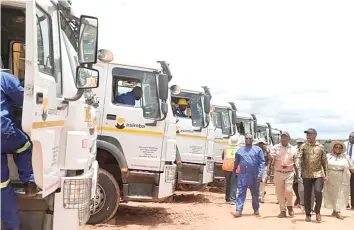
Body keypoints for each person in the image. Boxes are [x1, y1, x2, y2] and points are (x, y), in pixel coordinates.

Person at [1, 72, 37, 230]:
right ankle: (29, 181)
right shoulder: (4, 78)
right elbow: (25, 100)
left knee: (2, 184)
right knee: (24, 145)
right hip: (3, 134)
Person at [296, 128, 328, 223]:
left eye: (309, 134)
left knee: (318, 192)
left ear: (315, 135)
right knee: (307, 194)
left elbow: (324, 162)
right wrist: (297, 162)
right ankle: (308, 214)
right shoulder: (303, 146)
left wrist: (326, 175)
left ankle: (317, 212)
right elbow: (299, 156)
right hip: (306, 174)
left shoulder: (320, 147)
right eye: (307, 134)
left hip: (318, 174)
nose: (307, 136)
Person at [231, 133, 265, 218]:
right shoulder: (240, 150)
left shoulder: (258, 150)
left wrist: (260, 174)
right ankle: (238, 211)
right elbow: (236, 162)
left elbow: (262, 163)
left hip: (254, 175)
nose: (248, 140)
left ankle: (256, 209)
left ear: (252, 139)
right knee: (241, 193)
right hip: (243, 175)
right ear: (244, 139)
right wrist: (234, 171)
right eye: (247, 138)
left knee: (255, 194)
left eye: (250, 138)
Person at [269, 132, 298, 218]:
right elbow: (271, 158)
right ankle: (282, 210)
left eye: (285, 138)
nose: (283, 139)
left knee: (288, 190)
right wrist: (267, 153)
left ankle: (289, 206)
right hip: (278, 172)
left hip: (289, 173)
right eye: (282, 138)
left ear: (289, 139)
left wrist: (297, 175)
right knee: (279, 192)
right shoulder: (275, 148)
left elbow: (296, 162)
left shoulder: (293, 149)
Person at [323, 141, 354, 219]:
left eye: (340, 148)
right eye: (336, 147)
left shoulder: (346, 157)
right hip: (330, 177)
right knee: (332, 194)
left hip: (342, 177)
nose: (338, 149)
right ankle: (335, 209)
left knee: (340, 194)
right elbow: (323, 166)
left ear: (342, 149)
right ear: (333, 148)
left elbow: (351, 167)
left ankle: (338, 211)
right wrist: (324, 176)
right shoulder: (328, 156)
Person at [295, 138, 315, 212]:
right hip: (301, 174)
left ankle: (311, 208)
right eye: (299, 143)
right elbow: (297, 164)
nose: (300, 144)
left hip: (312, 174)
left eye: (301, 143)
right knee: (302, 190)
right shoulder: (296, 152)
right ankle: (303, 204)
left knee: (312, 192)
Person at [221, 135, 240, 205]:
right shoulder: (239, 149)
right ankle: (233, 199)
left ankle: (227, 198)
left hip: (226, 168)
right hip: (235, 169)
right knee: (234, 184)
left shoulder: (226, 148)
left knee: (228, 183)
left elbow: (222, 157)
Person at [255, 138, 271, 203]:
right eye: (260, 143)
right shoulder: (255, 150)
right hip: (256, 167)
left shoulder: (266, 151)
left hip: (264, 167)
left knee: (262, 182)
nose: (261, 145)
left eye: (262, 143)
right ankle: (257, 195)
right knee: (257, 182)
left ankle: (261, 196)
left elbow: (270, 159)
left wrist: (268, 168)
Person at [344, 132, 354, 210]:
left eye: (353, 137)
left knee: (353, 187)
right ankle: (345, 203)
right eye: (350, 136)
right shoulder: (344, 145)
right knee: (344, 186)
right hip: (345, 168)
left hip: (353, 169)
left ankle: (353, 204)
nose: (352, 138)